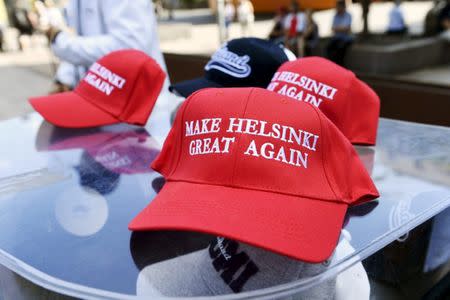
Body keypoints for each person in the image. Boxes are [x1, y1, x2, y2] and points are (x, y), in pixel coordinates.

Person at [44, 0, 167, 93]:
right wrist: (65, 78)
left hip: (134, 109)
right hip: (96, 99)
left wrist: (61, 43)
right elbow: (80, 36)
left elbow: (131, 47)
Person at [326, 0, 353, 66]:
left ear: (342, 7)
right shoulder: (336, 16)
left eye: (338, 6)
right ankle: (331, 65)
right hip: (337, 38)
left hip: (345, 38)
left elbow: (346, 28)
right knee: (328, 48)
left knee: (340, 49)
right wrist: (341, 28)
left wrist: (338, 28)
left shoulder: (348, 15)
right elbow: (333, 28)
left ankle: (340, 66)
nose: (337, 8)